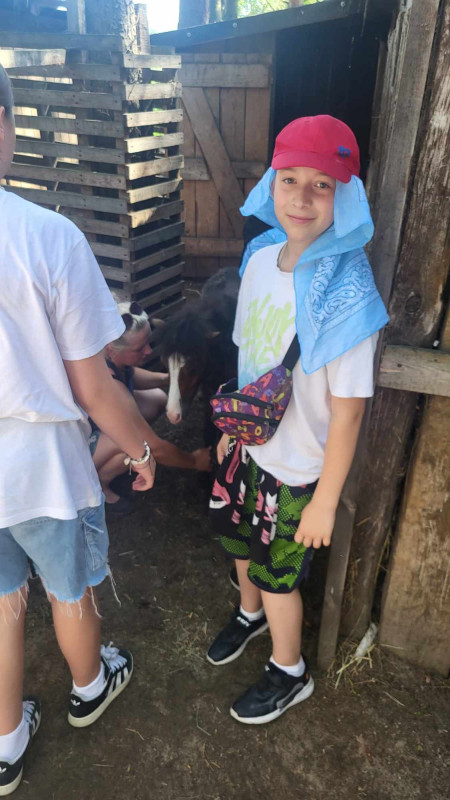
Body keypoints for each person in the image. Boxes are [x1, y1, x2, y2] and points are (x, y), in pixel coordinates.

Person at [0, 64, 158, 795]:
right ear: (5, 128)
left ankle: (6, 740)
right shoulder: (47, 237)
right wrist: (141, 449)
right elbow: (96, 387)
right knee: (69, 590)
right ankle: (91, 686)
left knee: (2, 602)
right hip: (45, 469)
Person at [207, 115, 389, 725]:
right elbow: (246, 351)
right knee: (239, 542)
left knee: (278, 576)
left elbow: (350, 411)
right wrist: (231, 433)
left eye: (322, 185)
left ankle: (290, 671)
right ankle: (249, 615)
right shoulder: (260, 257)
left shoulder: (348, 294)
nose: (302, 198)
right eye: (290, 180)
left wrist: (324, 503)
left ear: (347, 196)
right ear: (271, 183)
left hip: (297, 469)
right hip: (249, 446)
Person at [89, 301, 210, 514]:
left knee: (156, 399)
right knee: (134, 441)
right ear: (111, 349)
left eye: (148, 342)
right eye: (139, 349)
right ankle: (100, 485)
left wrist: (170, 378)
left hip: (98, 428)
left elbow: (132, 374)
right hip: (80, 450)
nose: (148, 351)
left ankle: (117, 463)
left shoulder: (108, 357)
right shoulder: (109, 385)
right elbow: (155, 448)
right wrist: (194, 460)